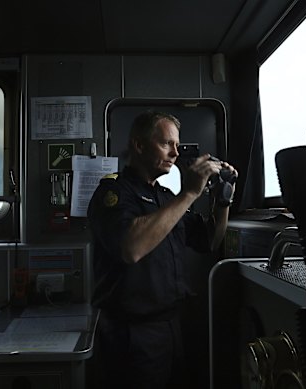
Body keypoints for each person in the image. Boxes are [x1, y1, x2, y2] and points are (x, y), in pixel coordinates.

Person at [87, 110, 237, 389]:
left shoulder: (165, 198)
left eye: (177, 145)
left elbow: (209, 241)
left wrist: (223, 199)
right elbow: (131, 248)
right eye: (166, 143)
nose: (175, 153)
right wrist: (189, 193)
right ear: (139, 145)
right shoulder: (113, 194)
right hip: (131, 334)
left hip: (171, 326)